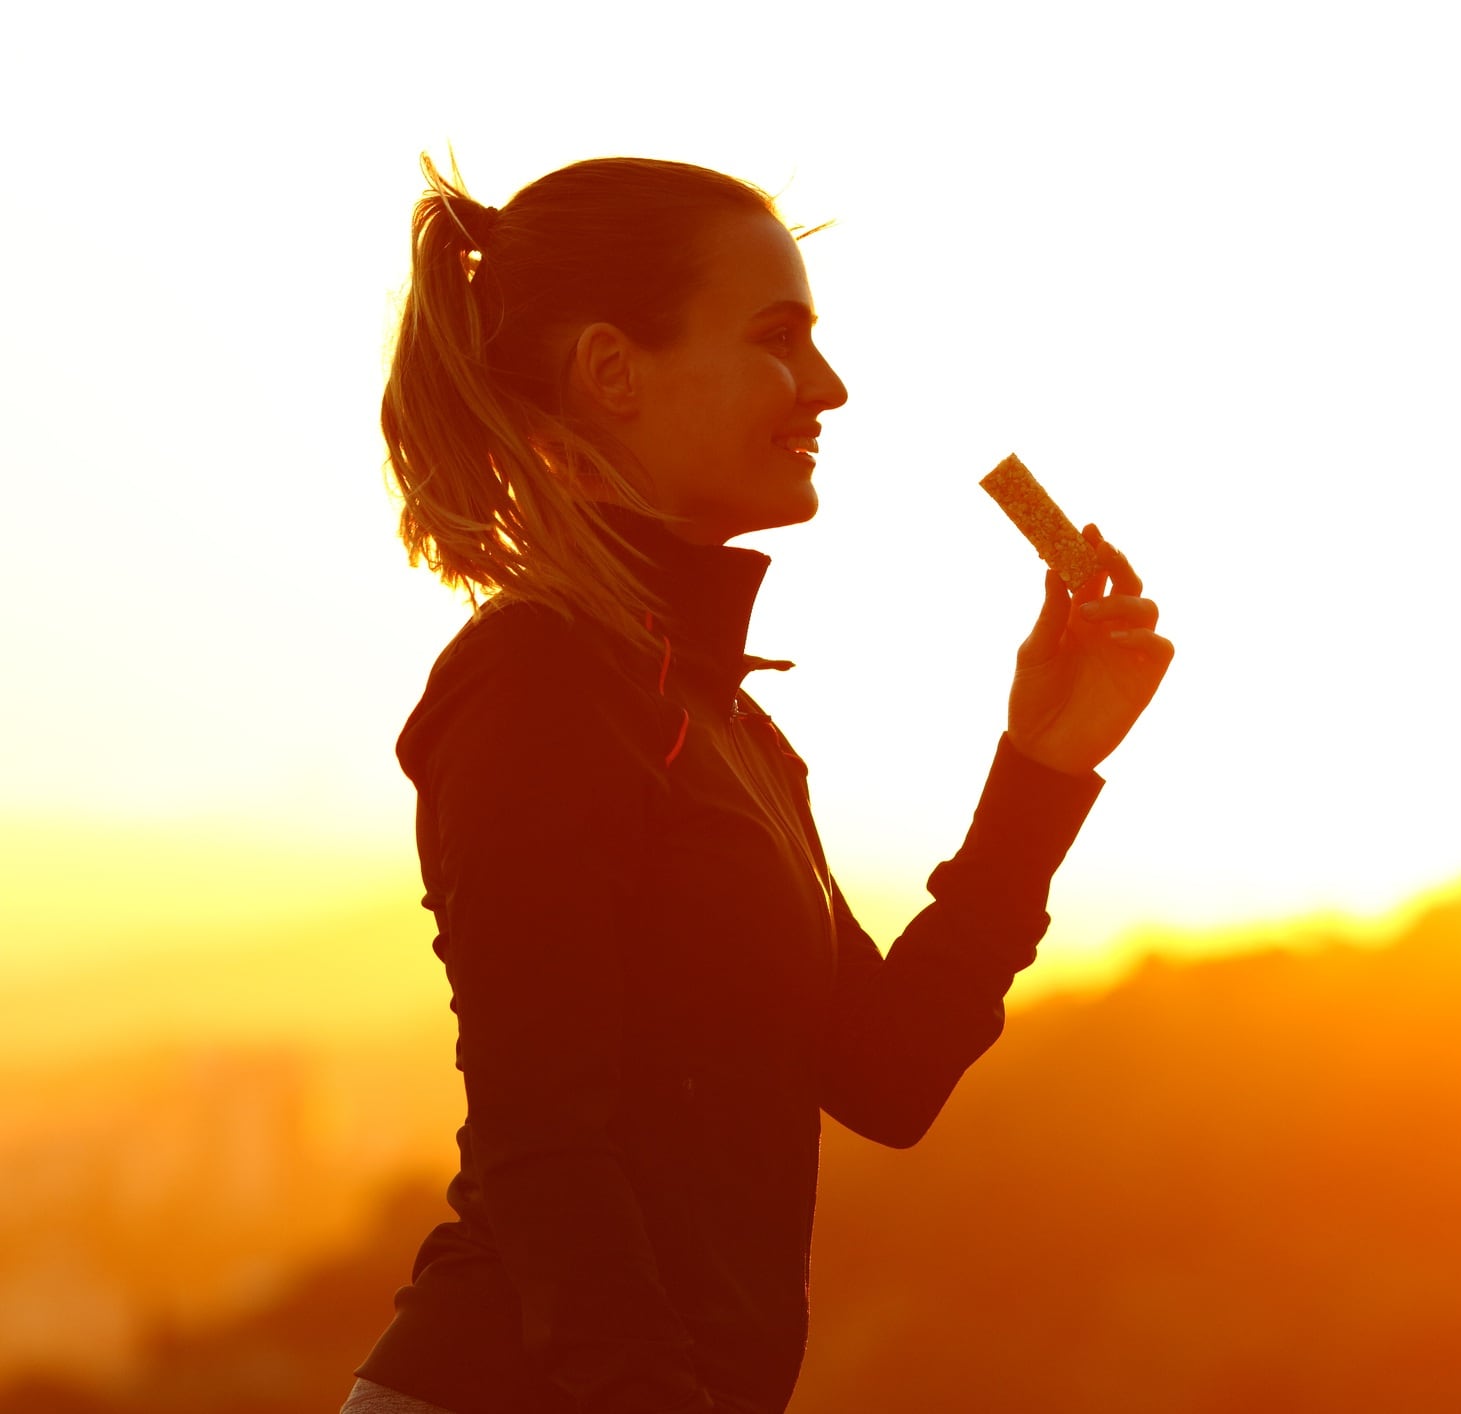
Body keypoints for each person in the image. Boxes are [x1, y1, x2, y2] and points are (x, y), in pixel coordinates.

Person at [341, 154, 1173, 1414]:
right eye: (780, 340)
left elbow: (886, 1076)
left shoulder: (721, 724)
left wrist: (1044, 768)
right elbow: (545, 1154)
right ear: (611, 372)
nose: (828, 388)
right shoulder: (537, 683)